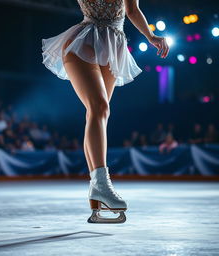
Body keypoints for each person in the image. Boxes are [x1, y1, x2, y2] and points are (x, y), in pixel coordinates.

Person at [41, 0, 169, 223]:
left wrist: (151, 37)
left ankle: (95, 195)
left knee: (98, 114)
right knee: (99, 107)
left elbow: (132, 9)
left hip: (113, 44)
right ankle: (102, 183)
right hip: (83, 41)